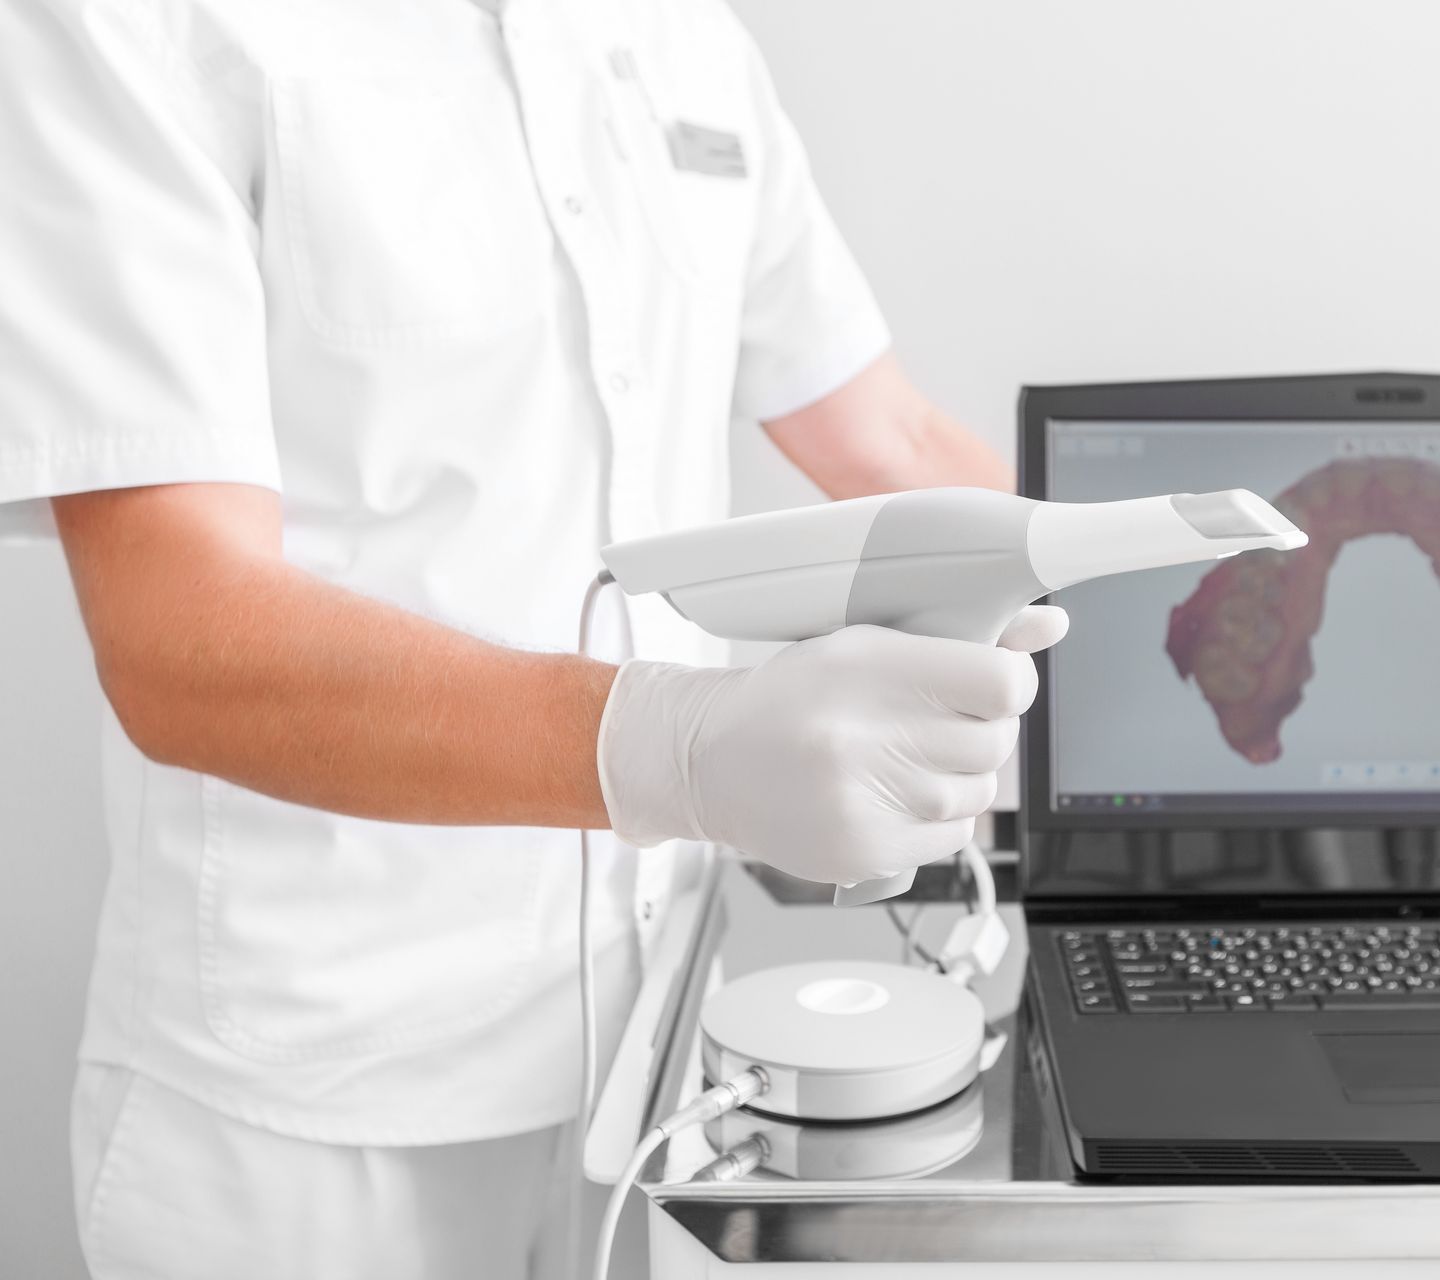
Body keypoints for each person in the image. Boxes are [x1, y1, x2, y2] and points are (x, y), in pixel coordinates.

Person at [0, 1, 1060, 1275]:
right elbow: (184, 636)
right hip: (309, 1115)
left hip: (660, 1062)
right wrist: (681, 744)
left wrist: (1158, 609)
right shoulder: (126, 27)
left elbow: (883, 438)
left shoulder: (684, 42)